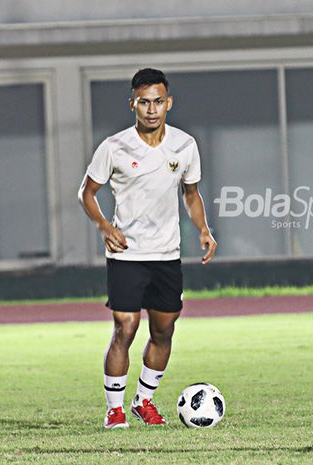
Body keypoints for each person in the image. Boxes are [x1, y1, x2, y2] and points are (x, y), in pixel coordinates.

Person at [78, 68, 217, 429]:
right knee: (125, 327)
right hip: (127, 254)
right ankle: (114, 409)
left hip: (167, 255)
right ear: (133, 104)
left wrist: (203, 229)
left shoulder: (185, 145)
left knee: (163, 331)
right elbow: (87, 192)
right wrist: (104, 226)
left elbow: (191, 194)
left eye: (158, 101)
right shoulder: (114, 147)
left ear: (168, 103)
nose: (151, 109)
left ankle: (143, 400)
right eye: (144, 102)